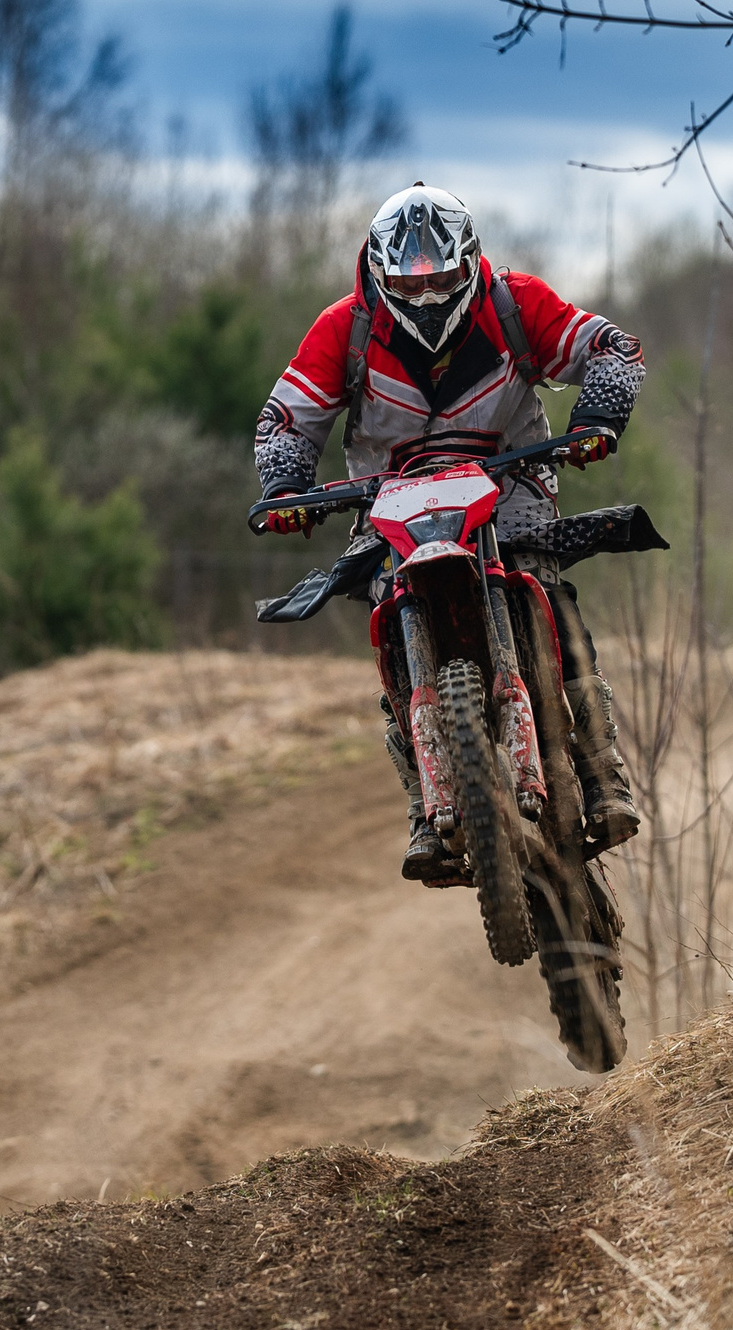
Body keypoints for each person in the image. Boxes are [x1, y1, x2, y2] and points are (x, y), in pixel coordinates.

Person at [253, 182, 646, 882]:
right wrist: (286, 489)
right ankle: (421, 804)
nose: (429, 292)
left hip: (511, 482)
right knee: (388, 616)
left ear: (470, 263)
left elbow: (610, 346)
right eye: (413, 279)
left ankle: (602, 767)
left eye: (442, 276)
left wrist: (599, 417)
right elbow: (287, 416)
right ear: (380, 272)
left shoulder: (515, 303)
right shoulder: (344, 329)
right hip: (390, 501)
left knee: (550, 595)